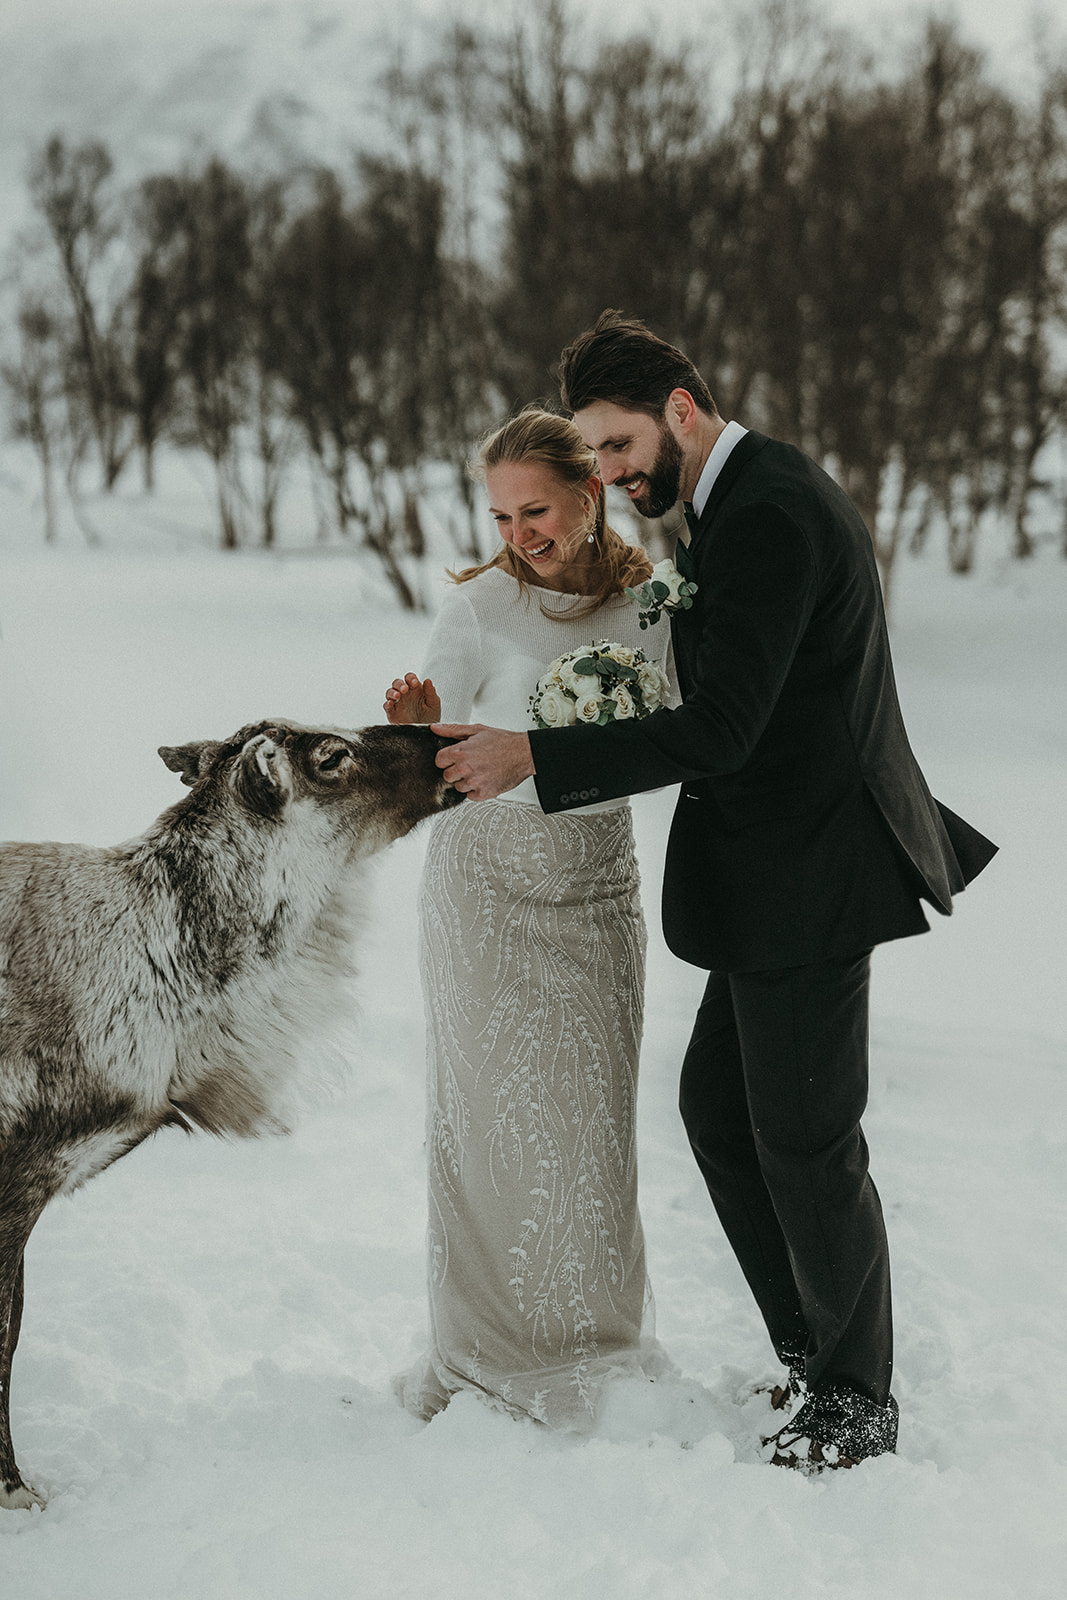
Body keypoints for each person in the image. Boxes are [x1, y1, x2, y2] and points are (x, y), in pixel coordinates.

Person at [431, 312, 997, 1472]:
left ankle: (852, 1399)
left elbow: (726, 728)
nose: (609, 472)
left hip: (812, 875)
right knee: (722, 1118)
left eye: (618, 444)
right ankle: (809, 1351)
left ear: (681, 408)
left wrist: (537, 754)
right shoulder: (736, 504)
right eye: (590, 455)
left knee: (803, 1138)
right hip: (770, 874)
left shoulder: (772, 513)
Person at [384, 406, 677, 1430]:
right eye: (502, 514)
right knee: (489, 1121)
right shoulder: (476, 608)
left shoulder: (650, 603)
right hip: (487, 887)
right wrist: (418, 728)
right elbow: (431, 757)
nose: (518, 532)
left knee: (590, 1122)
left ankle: (597, 1340)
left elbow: (683, 727)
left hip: (597, 884)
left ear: (589, 492)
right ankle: (483, 1351)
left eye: (536, 509)